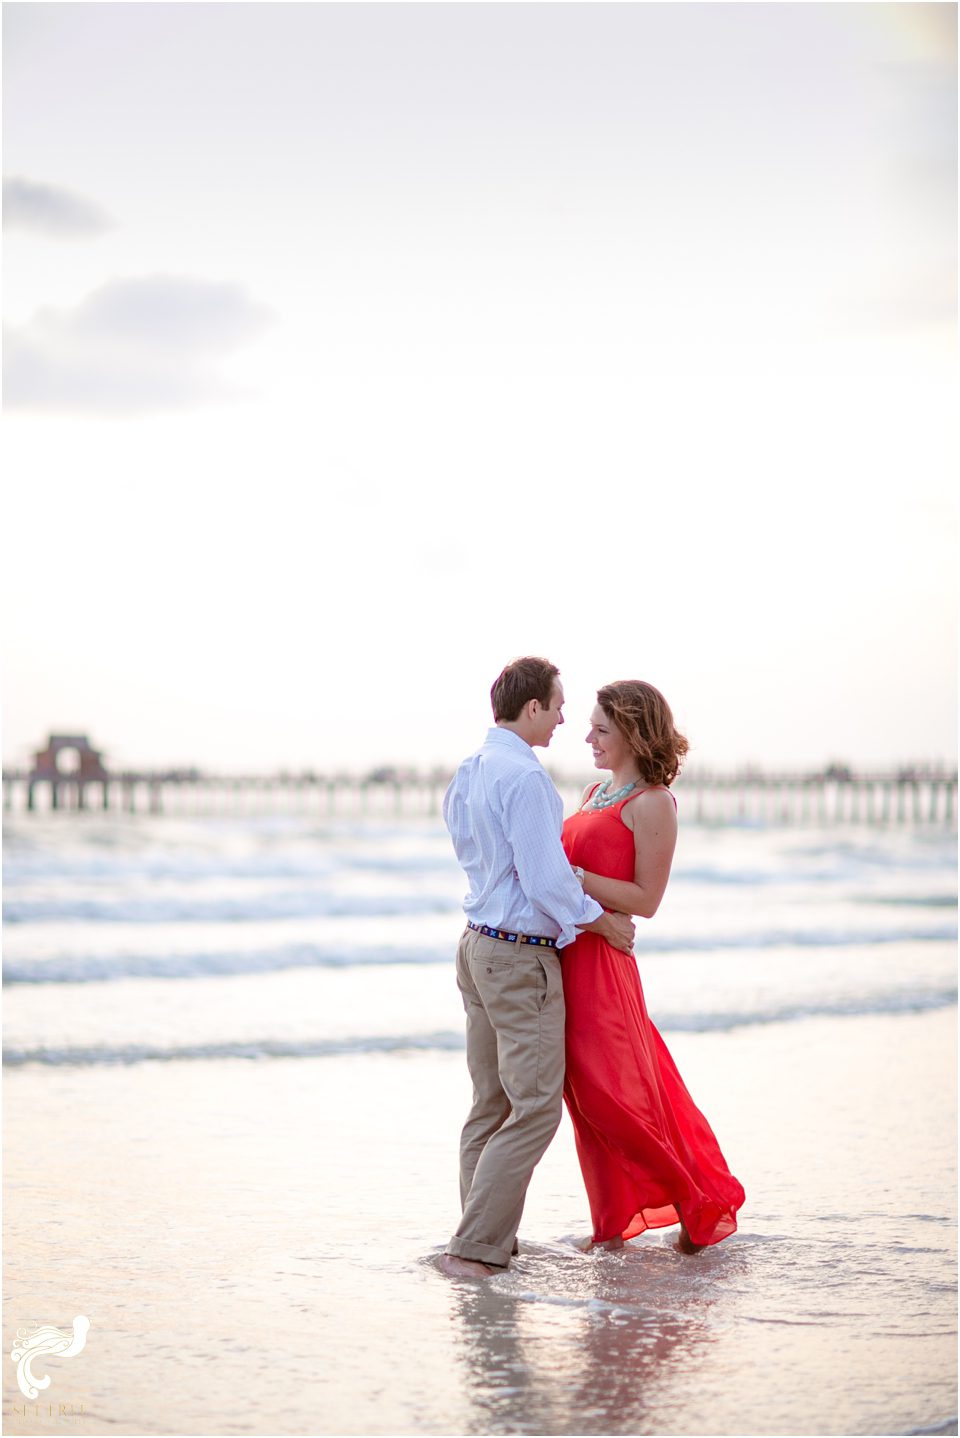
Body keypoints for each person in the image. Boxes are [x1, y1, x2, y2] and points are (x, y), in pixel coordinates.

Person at [440, 657, 636, 1279]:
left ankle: (486, 1242)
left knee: (490, 1106)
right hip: (518, 958)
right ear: (531, 709)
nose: (561, 720)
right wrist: (600, 919)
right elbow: (547, 881)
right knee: (535, 1110)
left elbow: (476, 857)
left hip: (476, 945)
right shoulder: (524, 779)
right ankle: (474, 1249)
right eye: (556, 707)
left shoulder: (471, 769)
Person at [561, 679, 745, 1253]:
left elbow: (647, 899)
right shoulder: (596, 791)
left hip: (602, 967)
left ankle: (693, 1196)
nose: (587, 736)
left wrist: (571, 880)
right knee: (583, 1099)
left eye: (601, 729)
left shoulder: (653, 802)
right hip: (568, 952)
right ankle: (612, 1223)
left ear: (633, 733)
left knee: (609, 1094)